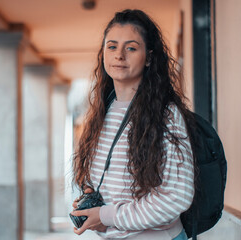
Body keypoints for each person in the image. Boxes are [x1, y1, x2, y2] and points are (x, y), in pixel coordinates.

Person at [70, 9, 195, 240]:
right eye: (112, 46)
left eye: (131, 48)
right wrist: (91, 199)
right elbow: (111, 180)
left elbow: (178, 195)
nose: (119, 55)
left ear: (148, 57)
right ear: (103, 54)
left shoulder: (166, 114)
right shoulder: (102, 112)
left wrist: (106, 215)